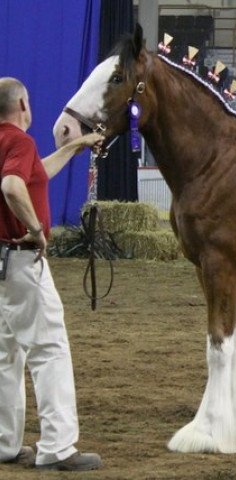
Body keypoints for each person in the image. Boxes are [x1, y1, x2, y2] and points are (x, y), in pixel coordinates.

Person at [0, 77, 104, 471]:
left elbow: (33, 174)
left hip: (0, 266)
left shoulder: (8, 145)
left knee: (5, 354)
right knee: (49, 350)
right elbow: (13, 186)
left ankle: (5, 443)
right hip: (22, 260)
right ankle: (59, 447)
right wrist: (34, 229)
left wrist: (76, 146)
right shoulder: (19, 142)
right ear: (23, 105)